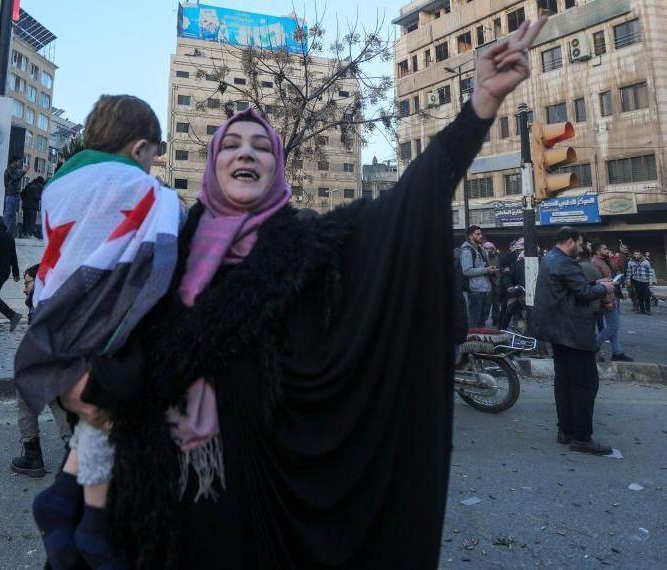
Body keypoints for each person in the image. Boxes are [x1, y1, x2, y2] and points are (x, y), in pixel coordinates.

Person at [52, 20, 549, 568]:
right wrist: (69, 378)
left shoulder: (310, 243)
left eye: (262, 146)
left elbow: (409, 203)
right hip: (156, 476)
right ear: (213, 165)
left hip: (268, 483)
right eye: (232, 145)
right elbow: (87, 309)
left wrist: (478, 105)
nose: (247, 153)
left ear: (277, 169)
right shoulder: (168, 237)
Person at [17, 93, 176, 569]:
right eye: (153, 155)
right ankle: (93, 522)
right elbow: (158, 252)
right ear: (139, 148)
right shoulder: (138, 190)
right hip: (100, 321)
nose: (152, 166)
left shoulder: (61, 185)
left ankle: (66, 497)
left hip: (57, 319)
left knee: (95, 417)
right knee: (110, 406)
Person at [534, 226, 614, 456]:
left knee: (565, 383)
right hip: (573, 333)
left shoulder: (550, 258)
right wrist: (604, 287)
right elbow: (582, 293)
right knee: (585, 384)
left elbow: (570, 290)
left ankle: (566, 431)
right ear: (570, 241)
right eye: (580, 243)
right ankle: (581, 437)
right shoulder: (566, 262)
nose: (582, 247)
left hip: (557, 332)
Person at [11, 263, 73, 478]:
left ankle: (32, 456)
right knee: (58, 402)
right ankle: (73, 450)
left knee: (26, 401)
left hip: (44, 359)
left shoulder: (41, 301)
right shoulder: (51, 296)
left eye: (27, 282)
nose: (24, 288)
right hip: (59, 360)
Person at [592, 242, 632, 362]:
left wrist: (622, 254)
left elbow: (617, 267)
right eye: (604, 248)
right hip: (606, 299)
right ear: (597, 251)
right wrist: (607, 301)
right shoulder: (595, 263)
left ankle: (617, 352)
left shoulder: (605, 261)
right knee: (613, 326)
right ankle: (593, 347)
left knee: (612, 327)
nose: (607, 250)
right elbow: (599, 283)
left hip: (611, 296)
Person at [460, 225, 498, 328]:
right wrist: (486, 270)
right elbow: (466, 271)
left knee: (481, 323)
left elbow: (481, 267)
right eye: (477, 234)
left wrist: (490, 269)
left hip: (483, 290)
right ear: (470, 236)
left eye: (481, 234)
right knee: (475, 323)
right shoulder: (467, 250)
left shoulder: (479, 250)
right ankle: (472, 344)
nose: (480, 236)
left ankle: (480, 343)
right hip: (475, 291)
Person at [626, 250, 656, 315]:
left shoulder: (645, 262)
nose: (636, 256)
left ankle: (648, 310)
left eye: (638, 254)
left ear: (640, 255)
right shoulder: (630, 262)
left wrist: (651, 281)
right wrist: (628, 280)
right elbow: (629, 271)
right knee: (639, 296)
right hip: (636, 281)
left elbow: (650, 271)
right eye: (635, 254)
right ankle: (642, 310)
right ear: (633, 255)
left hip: (645, 281)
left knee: (647, 296)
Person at [3, 157, 26, 236]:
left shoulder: (15, 171)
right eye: (18, 162)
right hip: (11, 195)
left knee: (13, 215)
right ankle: (3, 232)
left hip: (16, 195)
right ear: (13, 162)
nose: (19, 164)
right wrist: (23, 172)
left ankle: (10, 233)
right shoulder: (9, 170)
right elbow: (15, 178)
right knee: (8, 214)